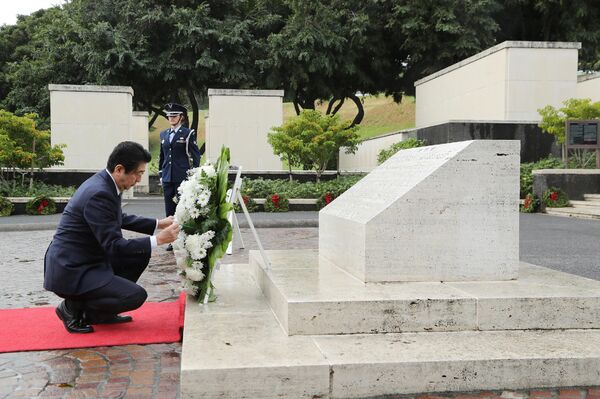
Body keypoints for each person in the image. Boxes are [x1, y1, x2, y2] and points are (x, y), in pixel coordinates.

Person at [44, 141, 181, 334]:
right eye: (138, 173)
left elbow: (118, 218)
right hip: (72, 268)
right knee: (135, 296)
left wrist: (158, 223)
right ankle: (71, 307)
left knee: (138, 254)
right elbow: (115, 246)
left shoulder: (105, 183)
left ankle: (100, 313)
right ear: (120, 169)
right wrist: (158, 240)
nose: (139, 179)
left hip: (86, 260)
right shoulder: (99, 192)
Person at [158, 103, 201, 250]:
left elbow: (195, 156)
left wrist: (194, 175)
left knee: (182, 209)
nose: (171, 118)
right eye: (169, 116)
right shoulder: (163, 134)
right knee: (169, 210)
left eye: (174, 116)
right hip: (167, 177)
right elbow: (162, 157)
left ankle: (184, 238)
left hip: (182, 177)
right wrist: (160, 174)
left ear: (181, 117)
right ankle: (172, 240)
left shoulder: (187, 133)